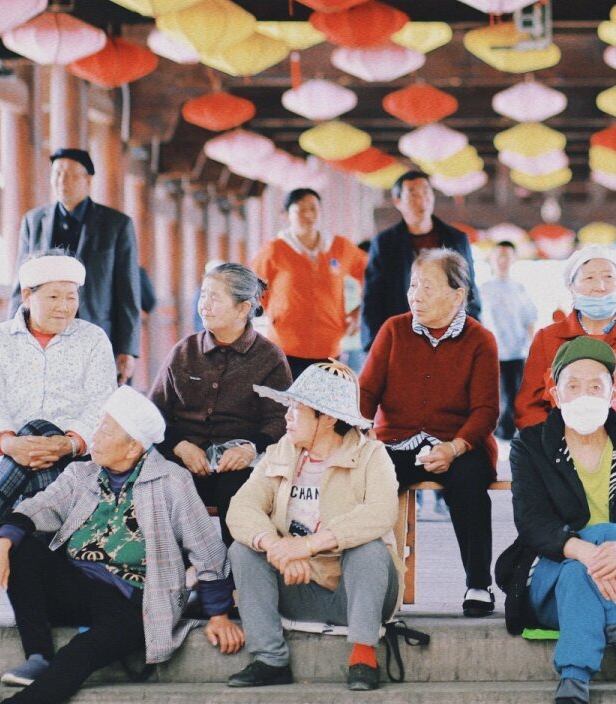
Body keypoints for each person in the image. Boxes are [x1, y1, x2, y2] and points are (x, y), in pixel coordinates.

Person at [0, 387, 243, 704]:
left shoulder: (173, 481)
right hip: (77, 585)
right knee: (22, 548)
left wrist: (218, 615)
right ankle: (38, 655)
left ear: (133, 448)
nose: (96, 436)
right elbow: (39, 507)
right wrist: (0, 546)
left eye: (106, 429)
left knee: (80, 652)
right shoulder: (82, 473)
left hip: (135, 600)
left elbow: (207, 549)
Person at [497, 337, 616, 704]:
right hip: (548, 582)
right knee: (599, 542)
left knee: (601, 550)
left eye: (596, 385)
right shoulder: (530, 445)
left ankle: (573, 684)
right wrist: (586, 550)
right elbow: (533, 523)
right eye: (573, 386)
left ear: (613, 391)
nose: (584, 394)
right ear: (554, 392)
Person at [225, 362, 404, 692]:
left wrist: (306, 546)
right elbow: (243, 506)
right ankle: (270, 659)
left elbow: (380, 513)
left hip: (356, 591)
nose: (287, 417)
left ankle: (364, 655)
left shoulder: (371, 455)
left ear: (328, 417)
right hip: (297, 583)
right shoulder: (282, 451)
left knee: (368, 547)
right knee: (244, 548)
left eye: (296, 409)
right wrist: (275, 547)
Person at [0, 253, 118, 567]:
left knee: (39, 428)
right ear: (28, 295)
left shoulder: (93, 339)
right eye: (54, 296)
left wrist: (69, 442)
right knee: (35, 434)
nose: (64, 306)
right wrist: (9, 443)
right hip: (7, 458)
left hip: (75, 460)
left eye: (71, 297)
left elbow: (102, 403)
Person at [359, 248, 501, 617]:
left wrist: (454, 448)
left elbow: (486, 411)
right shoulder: (393, 330)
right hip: (397, 442)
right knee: (365, 476)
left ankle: (478, 585)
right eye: (412, 285)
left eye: (427, 287)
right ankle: (367, 580)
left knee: (469, 482)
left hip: (458, 445)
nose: (415, 295)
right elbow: (367, 392)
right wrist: (360, 436)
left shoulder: (480, 340)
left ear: (457, 295)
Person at [149, 261, 294, 540]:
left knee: (239, 496)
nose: (204, 304)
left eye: (215, 297)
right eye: (203, 294)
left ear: (243, 308)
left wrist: (250, 449)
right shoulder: (184, 352)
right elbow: (155, 414)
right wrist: (180, 446)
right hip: (184, 461)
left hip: (241, 465)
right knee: (162, 491)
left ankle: (232, 578)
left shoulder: (269, 358)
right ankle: (172, 576)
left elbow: (280, 419)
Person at [516, 246, 616, 442]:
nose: (599, 286)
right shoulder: (547, 339)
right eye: (588, 278)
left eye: (608, 277)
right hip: (559, 450)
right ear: (571, 287)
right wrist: (557, 444)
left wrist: (614, 445)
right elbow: (529, 405)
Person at [17, 147, 145, 382]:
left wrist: (128, 348)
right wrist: (13, 336)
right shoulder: (33, 222)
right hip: (43, 333)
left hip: (97, 330)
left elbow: (128, 291)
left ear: (88, 180)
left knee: (96, 408)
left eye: (71, 175)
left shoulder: (116, 224)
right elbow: (21, 286)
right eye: (57, 174)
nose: (62, 181)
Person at [250, 188, 367, 377]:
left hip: (330, 346)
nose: (308, 214)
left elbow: (372, 273)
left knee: (325, 405)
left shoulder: (339, 247)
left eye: (313, 208)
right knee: (288, 405)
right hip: (285, 348)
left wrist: (361, 310)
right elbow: (251, 288)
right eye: (300, 210)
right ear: (287, 215)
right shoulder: (274, 251)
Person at [360, 171, 477, 349]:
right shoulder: (385, 243)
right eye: (412, 193)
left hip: (450, 336)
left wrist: (473, 335)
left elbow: (469, 289)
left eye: (426, 191)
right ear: (398, 201)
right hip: (402, 338)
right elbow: (373, 297)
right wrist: (374, 345)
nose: (421, 198)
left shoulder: (456, 239)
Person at [478, 241, 539, 442]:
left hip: (517, 352)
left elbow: (530, 319)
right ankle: (496, 436)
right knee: (495, 397)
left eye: (507, 256)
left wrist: (531, 348)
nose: (503, 260)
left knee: (516, 396)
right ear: (492, 258)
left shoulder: (519, 288)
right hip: (492, 353)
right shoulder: (482, 289)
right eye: (499, 255)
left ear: (514, 259)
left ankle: (510, 436)